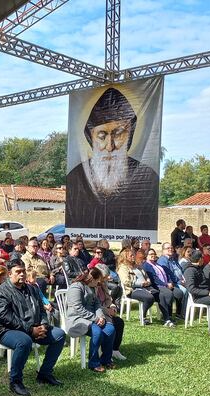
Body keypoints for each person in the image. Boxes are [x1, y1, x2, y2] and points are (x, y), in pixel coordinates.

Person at [66, 87, 160, 229]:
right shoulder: (75, 177)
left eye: (118, 134)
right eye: (102, 136)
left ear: (130, 136)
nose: (110, 146)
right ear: (90, 137)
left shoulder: (147, 176)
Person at [0, 259, 66, 396]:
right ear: (9, 274)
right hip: (7, 330)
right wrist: (30, 330)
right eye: (18, 272)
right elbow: (6, 318)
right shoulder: (1, 292)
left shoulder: (32, 289)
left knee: (60, 334)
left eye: (23, 271)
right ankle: (15, 381)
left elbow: (42, 310)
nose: (22, 274)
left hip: (34, 328)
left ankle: (44, 373)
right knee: (24, 341)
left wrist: (43, 325)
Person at [65, 268, 115, 372]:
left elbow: (97, 305)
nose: (98, 283)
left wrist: (101, 317)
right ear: (91, 279)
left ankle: (106, 359)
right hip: (77, 319)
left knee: (110, 329)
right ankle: (93, 362)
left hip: (92, 318)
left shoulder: (92, 288)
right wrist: (96, 319)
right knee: (97, 331)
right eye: (97, 281)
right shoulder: (76, 287)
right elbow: (78, 308)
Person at [92, 263, 126, 361]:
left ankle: (115, 349)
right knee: (109, 325)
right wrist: (107, 311)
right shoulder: (92, 286)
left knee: (119, 322)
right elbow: (94, 305)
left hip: (106, 310)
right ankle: (104, 351)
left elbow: (108, 298)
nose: (105, 280)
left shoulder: (103, 284)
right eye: (103, 278)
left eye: (106, 278)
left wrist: (112, 306)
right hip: (97, 314)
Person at [143, 248, 184, 324]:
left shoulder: (157, 264)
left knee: (179, 293)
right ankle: (166, 315)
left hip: (166, 284)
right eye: (151, 254)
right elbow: (154, 279)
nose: (153, 256)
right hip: (157, 286)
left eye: (154, 254)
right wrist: (165, 284)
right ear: (146, 256)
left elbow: (167, 275)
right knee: (169, 294)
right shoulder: (146, 265)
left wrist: (170, 282)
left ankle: (177, 314)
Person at [117, 249, 156, 324]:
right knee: (149, 297)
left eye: (133, 255)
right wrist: (140, 284)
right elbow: (126, 282)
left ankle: (166, 317)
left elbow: (146, 275)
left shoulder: (137, 266)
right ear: (125, 257)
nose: (133, 257)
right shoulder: (123, 267)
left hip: (145, 287)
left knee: (158, 294)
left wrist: (148, 281)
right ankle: (143, 316)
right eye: (131, 256)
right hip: (132, 290)